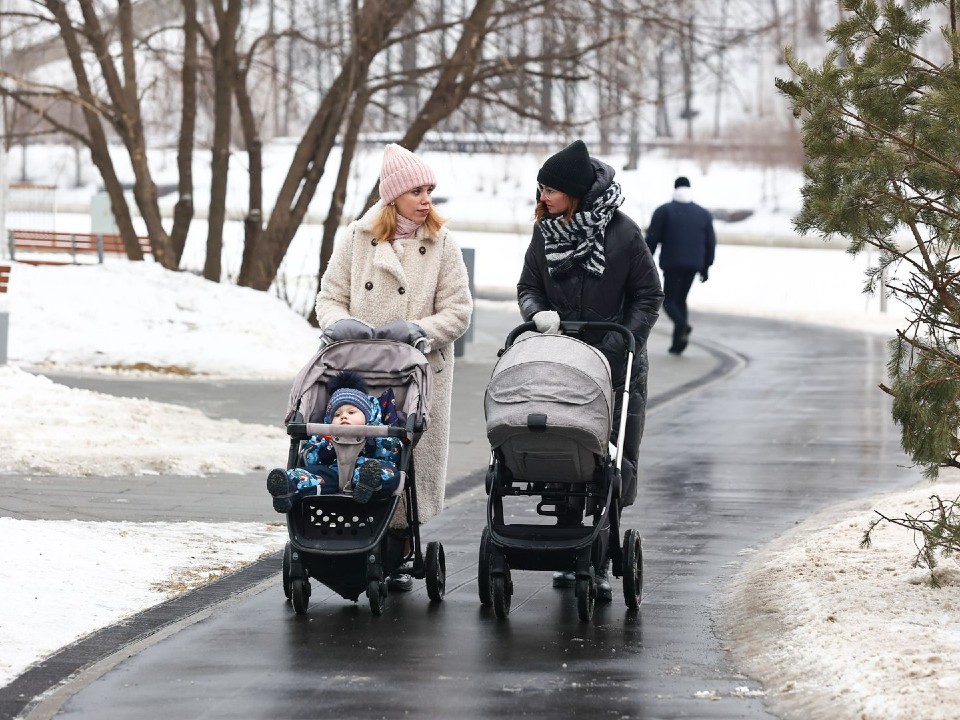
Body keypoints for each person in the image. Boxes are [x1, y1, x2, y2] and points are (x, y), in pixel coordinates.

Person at [314, 143, 473, 591]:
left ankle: (399, 547)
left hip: (418, 372)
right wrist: (339, 323)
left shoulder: (443, 243)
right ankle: (352, 537)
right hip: (360, 370)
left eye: (430, 190)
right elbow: (328, 298)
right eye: (417, 191)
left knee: (406, 457)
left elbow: (459, 312)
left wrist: (418, 329)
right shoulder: (355, 240)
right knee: (357, 447)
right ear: (392, 197)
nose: (426, 200)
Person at [517, 139, 663, 601]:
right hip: (560, 361)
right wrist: (537, 314)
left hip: (616, 366)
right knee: (562, 446)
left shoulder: (622, 233)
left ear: (574, 192)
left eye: (549, 189)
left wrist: (625, 340)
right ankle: (567, 545)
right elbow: (528, 286)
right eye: (540, 188)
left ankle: (598, 554)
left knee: (608, 463)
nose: (541, 196)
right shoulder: (544, 233)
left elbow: (649, 295)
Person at [266, 370, 403, 511]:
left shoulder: (377, 431)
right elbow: (307, 457)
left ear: (367, 416)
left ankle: (367, 484)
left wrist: (373, 443)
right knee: (307, 475)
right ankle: (288, 487)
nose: (343, 417)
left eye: (351, 412)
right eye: (337, 414)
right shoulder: (324, 434)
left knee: (388, 472)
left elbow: (394, 452)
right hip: (332, 473)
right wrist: (325, 449)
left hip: (365, 471)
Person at [644, 176, 716, 355]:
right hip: (694, 265)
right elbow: (711, 242)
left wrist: (644, 261)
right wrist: (706, 267)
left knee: (669, 302)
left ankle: (682, 325)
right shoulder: (702, 213)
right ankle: (678, 343)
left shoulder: (664, 211)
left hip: (672, 264)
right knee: (681, 300)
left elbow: (652, 239)